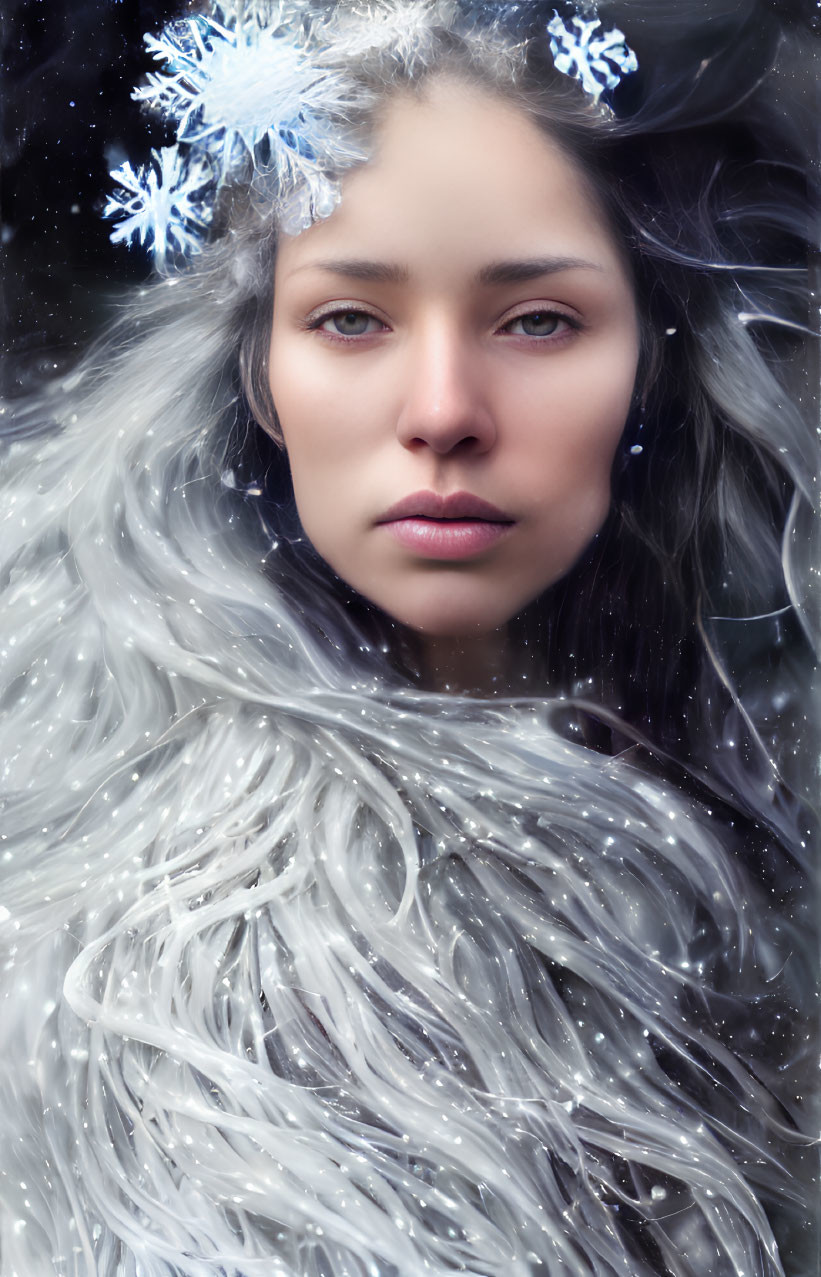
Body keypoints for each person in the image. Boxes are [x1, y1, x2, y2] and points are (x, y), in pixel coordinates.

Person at [0, 1, 817, 1274]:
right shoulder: (184, 984)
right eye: (350, 320)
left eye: (536, 320)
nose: (442, 412)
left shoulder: (739, 811)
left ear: (649, 366)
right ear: (258, 377)